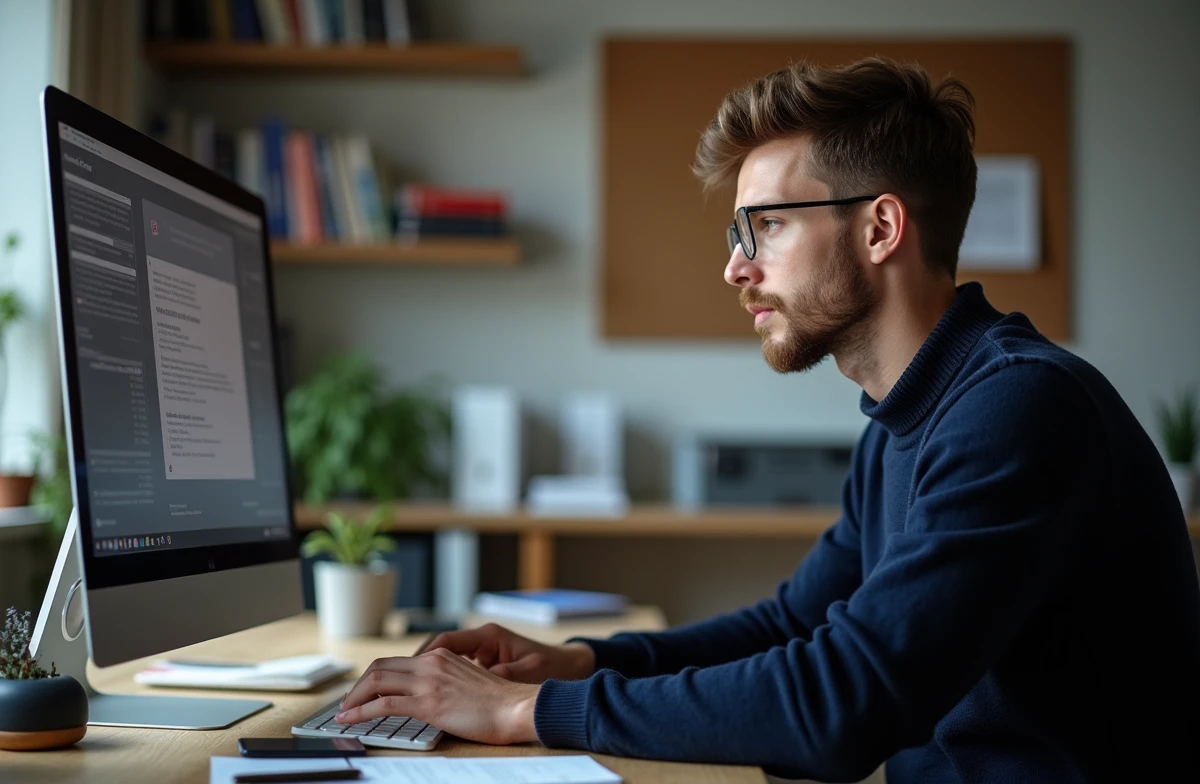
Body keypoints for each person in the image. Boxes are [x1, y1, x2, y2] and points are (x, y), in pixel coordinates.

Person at [334, 58, 1200, 782]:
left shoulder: (1019, 407)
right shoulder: (907, 421)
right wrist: (585, 661)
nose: (734, 269)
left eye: (767, 227)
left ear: (881, 228)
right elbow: (794, 626)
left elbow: (844, 704)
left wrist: (528, 710)